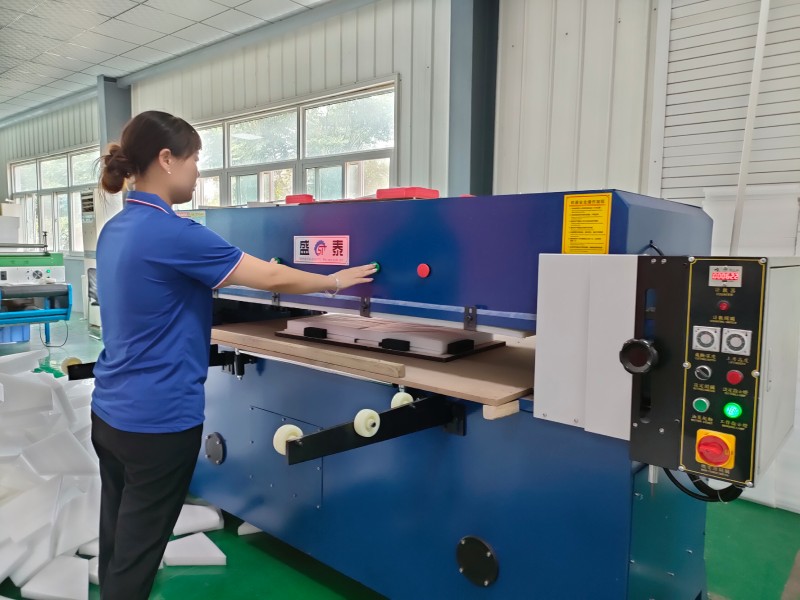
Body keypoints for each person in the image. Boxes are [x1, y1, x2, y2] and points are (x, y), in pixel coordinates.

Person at [90, 110, 377, 600]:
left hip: (110, 413)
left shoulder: (116, 227)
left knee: (119, 540)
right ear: (166, 159)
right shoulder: (173, 232)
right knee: (137, 559)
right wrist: (332, 280)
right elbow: (269, 276)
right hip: (158, 421)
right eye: (194, 159)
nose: (197, 171)